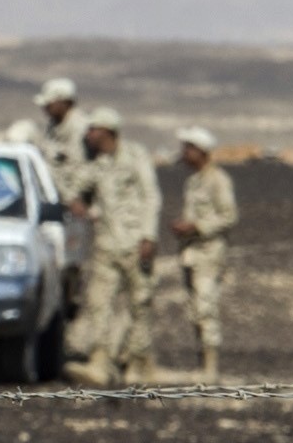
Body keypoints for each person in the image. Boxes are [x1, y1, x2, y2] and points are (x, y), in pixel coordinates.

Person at [64, 106, 158, 386]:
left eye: (93, 130)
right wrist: (77, 202)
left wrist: (149, 236)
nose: (88, 135)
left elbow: (151, 196)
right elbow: (73, 189)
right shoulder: (95, 165)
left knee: (139, 304)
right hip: (106, 245)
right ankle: (100, 361)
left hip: (135, 243)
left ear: (107, 131)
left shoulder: (135, 156)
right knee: (99, 304)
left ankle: (136, 362)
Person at [168, 125, 236, 380]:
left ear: (201, 151)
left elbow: (229, 216)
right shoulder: (194, 181)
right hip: (191, 253)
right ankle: (202, 365)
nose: (184, 154)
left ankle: (210, 369)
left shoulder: (218, 180)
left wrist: (196, 226)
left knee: (206, 308)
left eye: (188, 148)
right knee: (194, 309)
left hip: (209, 254)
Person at [34, 77, 88, 199]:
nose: (45, 108)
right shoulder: (54, 126)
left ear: (64, 103)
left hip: (72, 199)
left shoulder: (79, 127)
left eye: (49, 104)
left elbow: (81, 168)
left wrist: (72, 198)